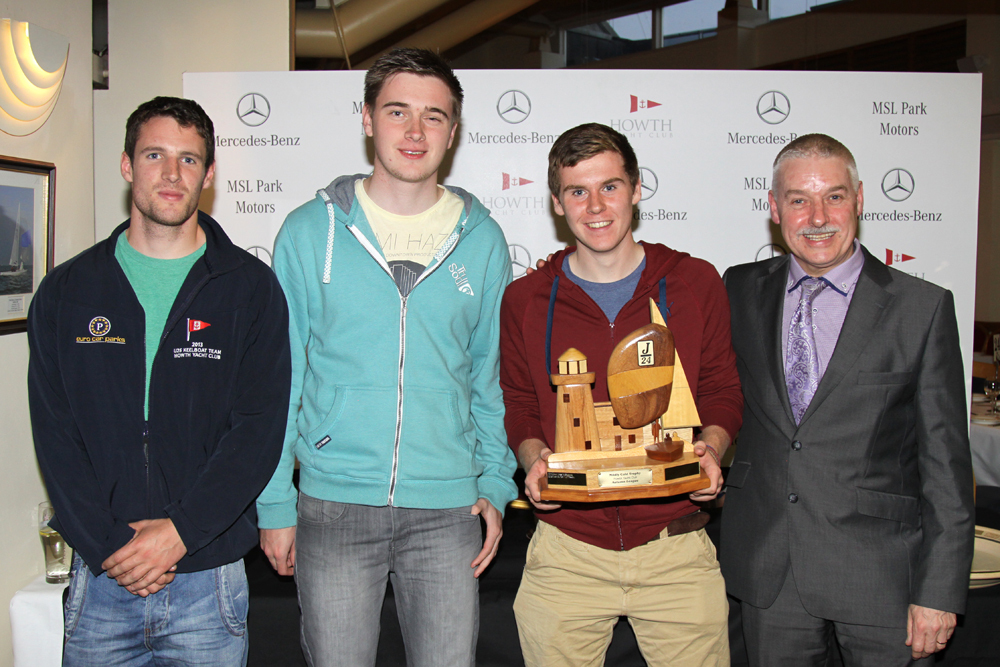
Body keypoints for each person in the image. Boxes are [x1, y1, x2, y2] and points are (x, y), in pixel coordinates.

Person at [256, 48, 517, 666]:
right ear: (368, 119)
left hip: (447, 511)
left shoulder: (483, 239)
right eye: (398, 111)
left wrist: (495, 483)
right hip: (333, 505)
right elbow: (280, 379)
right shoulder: (305, 232)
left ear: (453, 132)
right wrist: (274, 503)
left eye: (434, 116)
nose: (415, 131)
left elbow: (490, 378)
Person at [27, 96, 291, 665]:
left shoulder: (251, 289)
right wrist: (110, 545)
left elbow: (258, 433)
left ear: (210, 174)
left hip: (208, 581)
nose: (172, 175)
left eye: (189, 160)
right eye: (155, 155)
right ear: (127, 165)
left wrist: (179, 532)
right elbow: (55, 437)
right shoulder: (67, 292)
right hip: (102, 581)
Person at [720, 133, 974, 666]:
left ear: (859, 200)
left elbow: (945, 465)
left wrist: (940, 591)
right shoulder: (738, 289)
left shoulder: (920, 308)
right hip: (771, 572)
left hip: (883, 578)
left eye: (834, 197)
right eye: (798, 199)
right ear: (773, 207)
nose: (817, 216)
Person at [500, 122, 743, 667]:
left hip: (675, 547)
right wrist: (534, 457)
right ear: (557, 203)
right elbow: (517, 400)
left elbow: (723, 387)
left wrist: (711, 447)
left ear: (636, 189)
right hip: (567, 550)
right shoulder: (525, 299)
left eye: (609, 186)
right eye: (577, 191)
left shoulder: (695, 282)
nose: (595, 206)